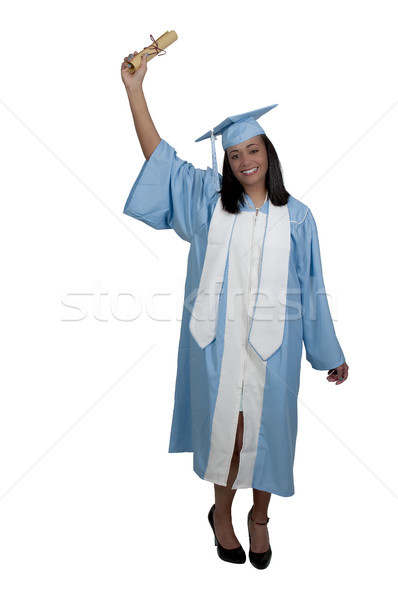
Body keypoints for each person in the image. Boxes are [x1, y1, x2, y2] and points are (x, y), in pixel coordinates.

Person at [120, 51, 349, 570]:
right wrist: (136, 91)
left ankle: (259, 519)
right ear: (225, 162)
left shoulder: (298, 217)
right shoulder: (206, 199)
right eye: (236, 154)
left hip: (276, 350)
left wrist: (328, 353)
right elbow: (160, 160)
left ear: (268, 154)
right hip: (216, 346)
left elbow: (312, 288)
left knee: (270, 434)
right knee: (230, 432)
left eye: (254, 150)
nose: (246, 160)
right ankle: (221, 513)